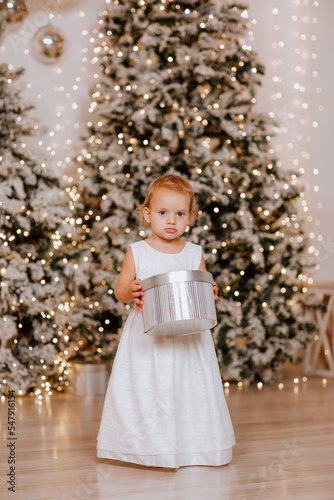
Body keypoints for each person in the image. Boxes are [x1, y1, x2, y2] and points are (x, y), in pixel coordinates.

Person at [97, 173, 236, 468]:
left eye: (180, 214)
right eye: (162, 213)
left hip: (188, 332)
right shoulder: (138, 251)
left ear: (191, 217)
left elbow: (202, 284)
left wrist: (210, 290)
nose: (171, 221)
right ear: (148, 214)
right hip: (148, 334)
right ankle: (147, 446)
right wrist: (129, 291)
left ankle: (195, 446)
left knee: (190, 385)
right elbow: (121, 289)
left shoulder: (193, 252)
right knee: (148, 386)